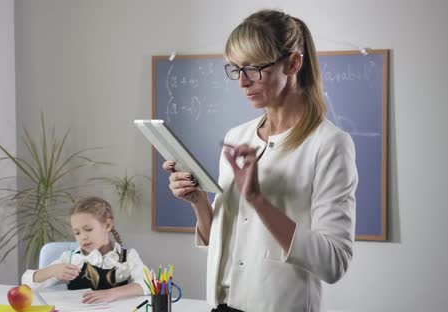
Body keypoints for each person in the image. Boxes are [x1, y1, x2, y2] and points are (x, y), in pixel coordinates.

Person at [162, 9, 358, 312]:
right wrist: (199, 200)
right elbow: (226, 238)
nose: (242, 82)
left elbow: (334, 263)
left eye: (253, 69)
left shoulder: (329, 144)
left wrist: (257, 199)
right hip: (220, 305)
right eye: (235, 69)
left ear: (293, 63)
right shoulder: (237, 137)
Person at [21, 197, 150, 303]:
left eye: (88, 229)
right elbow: (27, 282)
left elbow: (148, 284)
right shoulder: (70, 259)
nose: (83, 237)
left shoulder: (128, 257)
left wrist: (112, 293)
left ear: (107, 225)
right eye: (77, 233)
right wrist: (52, 271)